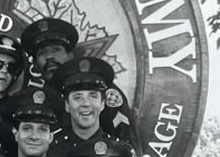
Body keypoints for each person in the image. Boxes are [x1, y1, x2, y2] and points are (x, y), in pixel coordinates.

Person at [20, 16, 141, 148]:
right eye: (42, 53)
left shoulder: (103, 90)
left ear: (70, 56)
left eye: (56, 49)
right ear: (36, 65)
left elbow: (127, 143)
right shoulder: (41, 100)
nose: (49, 57)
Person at [46, 58, 143, 157]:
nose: (86, 104)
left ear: (103, 103)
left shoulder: (122, 153)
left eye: (93, 96)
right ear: (67, 105)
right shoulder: (49, 149)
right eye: (77, 97)